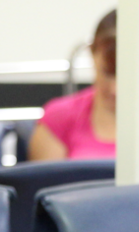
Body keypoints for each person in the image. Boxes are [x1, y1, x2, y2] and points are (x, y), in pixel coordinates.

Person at [29, 10, 117, 160]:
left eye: (127, 78)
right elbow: (43, 181)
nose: (115, 89)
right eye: (107, 73)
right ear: (92, 53)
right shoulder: (59, 117)